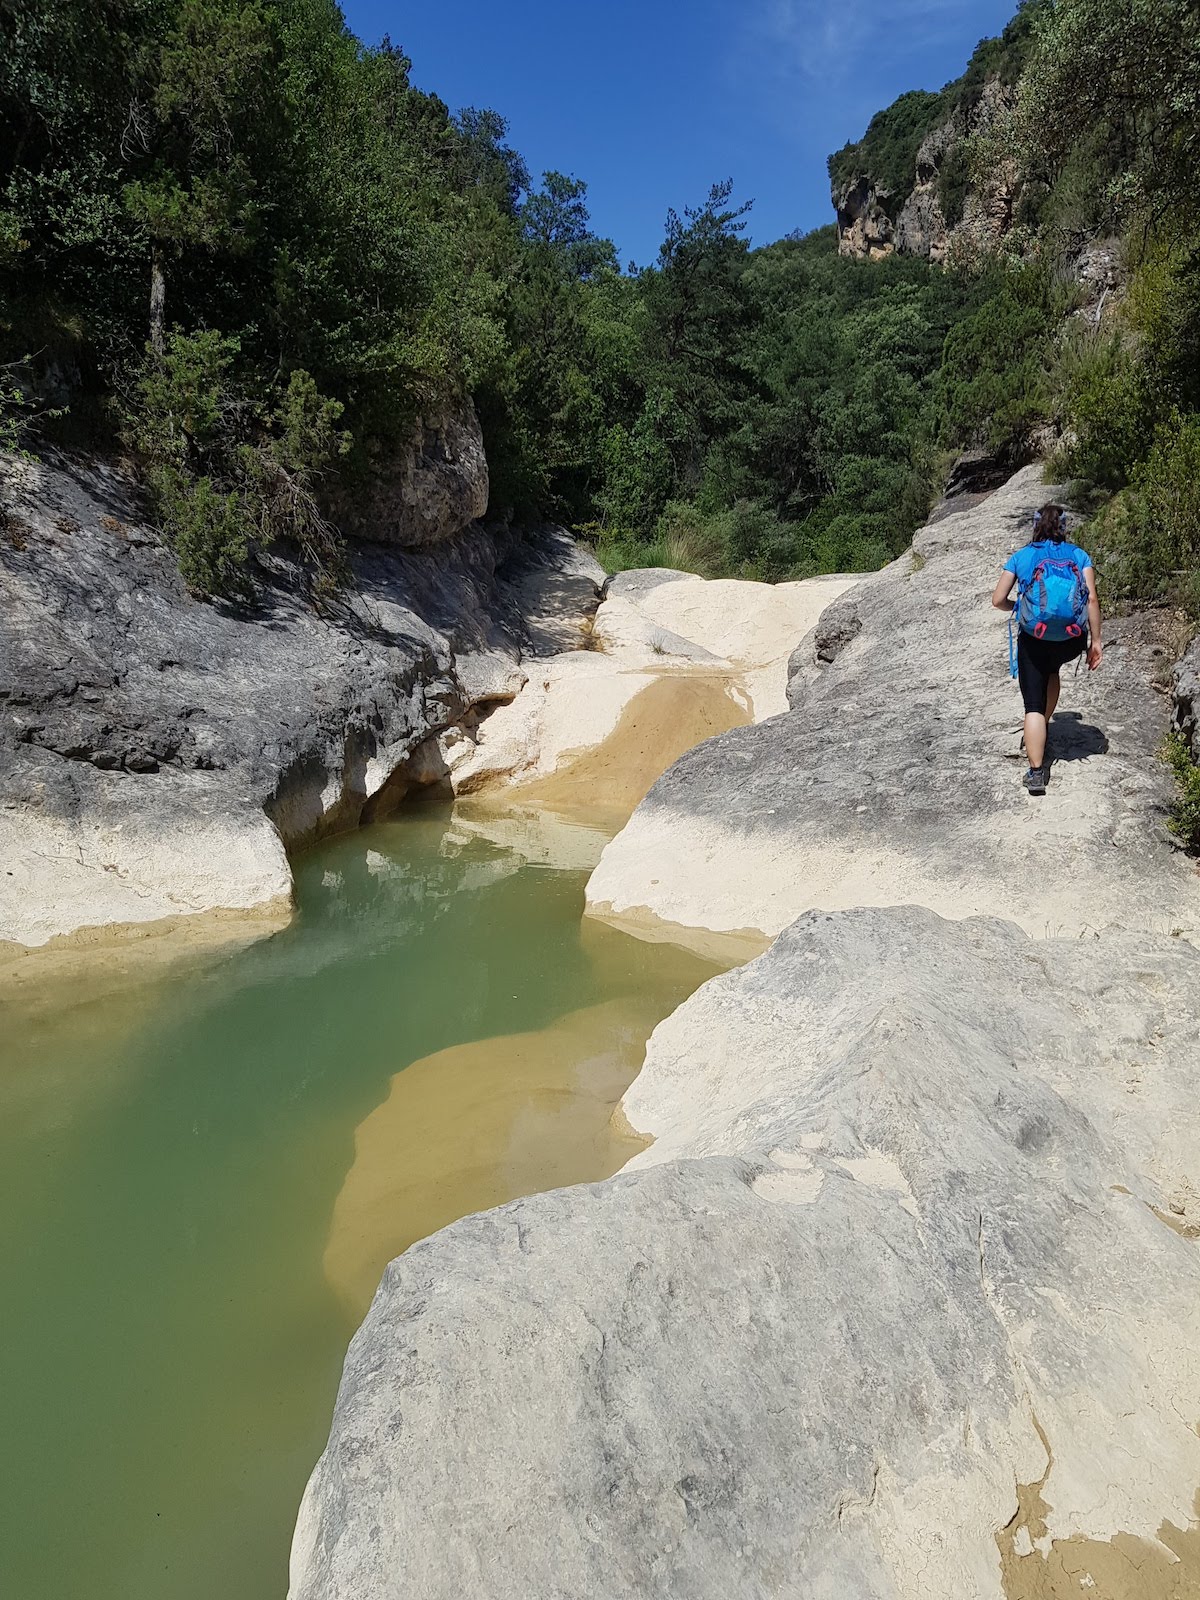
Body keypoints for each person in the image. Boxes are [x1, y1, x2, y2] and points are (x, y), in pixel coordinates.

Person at [991, 503, 1102, 795]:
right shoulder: (1079, 556)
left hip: (1035, 637)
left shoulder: (1023, 556)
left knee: (1033, 705)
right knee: (1052, 670)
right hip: (1070, 639)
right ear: (1064, 527)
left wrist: (1021, 608)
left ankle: (1037, 772)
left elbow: (998, 599)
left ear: (1035, 525)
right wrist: (1096, 643)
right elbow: (1091, 600)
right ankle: (1044, 728)